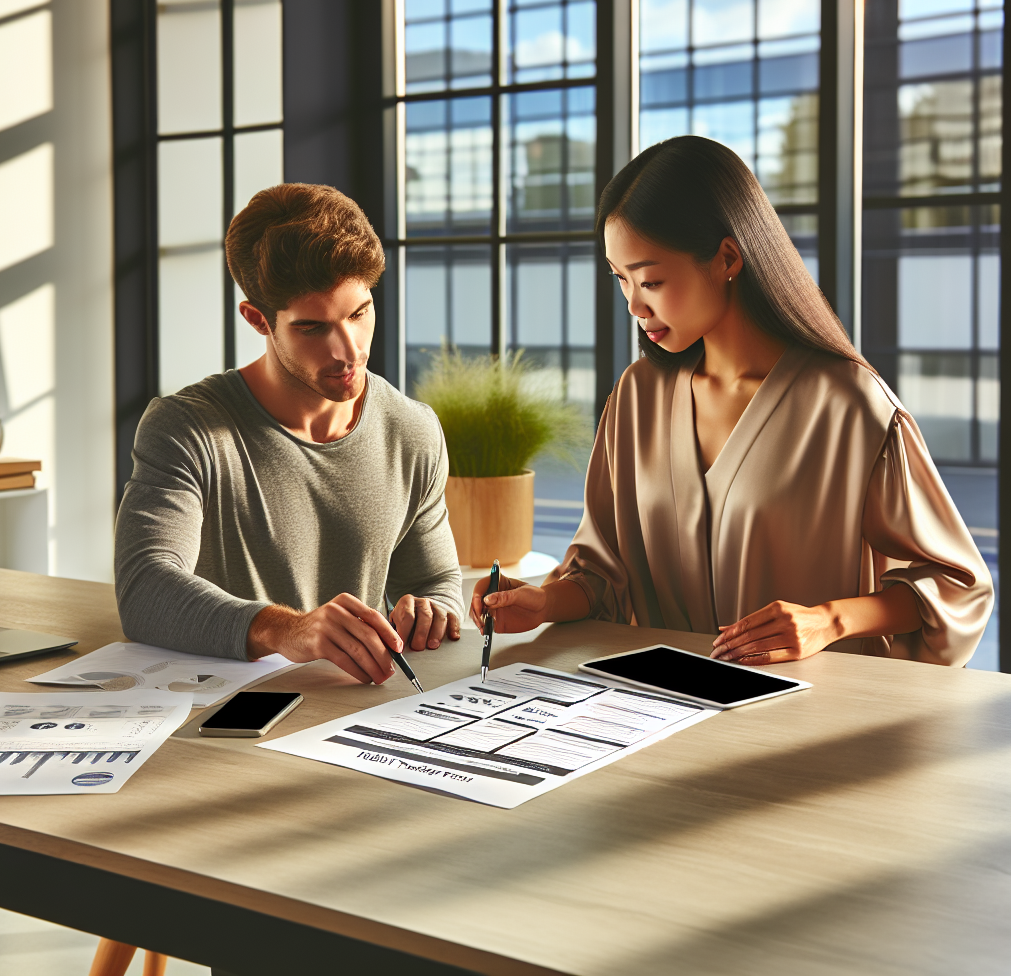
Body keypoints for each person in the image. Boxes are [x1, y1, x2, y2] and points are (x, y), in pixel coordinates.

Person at [471, 136, 992, 667]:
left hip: (808, 713)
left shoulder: (848, 405)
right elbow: (602, 577)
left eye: (651, 279)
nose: (633, 303)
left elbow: (956, 585)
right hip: (654, 705)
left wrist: (829, 620)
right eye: (621, 279)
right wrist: (541, 603)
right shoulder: (636, 398)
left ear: (726, 257)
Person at [114, 183, 464, 683]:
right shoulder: (186, 428)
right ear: (259, 320)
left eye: (359, 313)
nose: (348, 351)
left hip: (352, 711)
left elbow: (436, 581)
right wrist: (288, 630)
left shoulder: (413, 429)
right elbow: (145, 589)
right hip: (218, 723)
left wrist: (433, 610)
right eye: (312, 328)